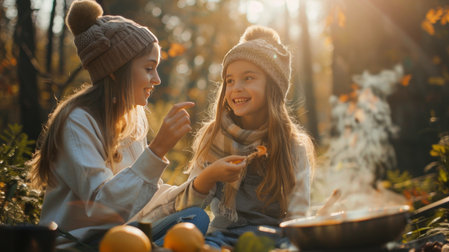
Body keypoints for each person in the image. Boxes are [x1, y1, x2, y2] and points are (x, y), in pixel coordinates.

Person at [28, 0, 229, 249]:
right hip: (82, 243)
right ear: (115, 70)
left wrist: (203, 182)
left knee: (194, 219)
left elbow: (146, 201)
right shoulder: (77, 121)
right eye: (148, 68)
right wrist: (156, 151)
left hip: (125, 234)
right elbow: (104, 209)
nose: (156, 80)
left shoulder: (134, 118)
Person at [172, 25, 316, 248]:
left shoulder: (291, 144)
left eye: (248, 78)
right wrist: (209, 176)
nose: (236, 88)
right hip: (222, 235)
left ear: (273, 87)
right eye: (230, 80)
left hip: (274, 236)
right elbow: (186, 207)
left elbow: (298, 212)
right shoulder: (215, 137)